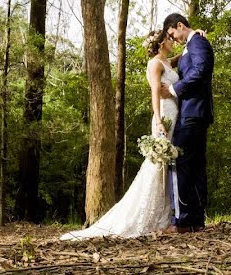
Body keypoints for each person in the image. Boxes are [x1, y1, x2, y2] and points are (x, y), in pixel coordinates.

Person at [60, 29, 178, 240]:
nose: (173, 41)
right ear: (161, 43)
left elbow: (180, 58)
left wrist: (194, 37)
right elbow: (154, 94)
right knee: (156, 166)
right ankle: (146, 216)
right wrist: (159, 120)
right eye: (169, 38)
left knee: (167, 165)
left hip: (175, 114)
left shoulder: (167, 62)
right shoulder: (155, 64)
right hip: (164, 117)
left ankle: (167, 214)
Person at [161, 12, 214, 233]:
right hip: (194, 114)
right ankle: (195, 220)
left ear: (180, 25)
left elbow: (200, 72)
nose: (174, 39)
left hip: (193, 113)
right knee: (195, 167)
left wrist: (173, 90)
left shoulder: (198, 42)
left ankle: (181, 222)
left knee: (179, 163)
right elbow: (179, 64)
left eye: (173, 33)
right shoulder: (191, 45)